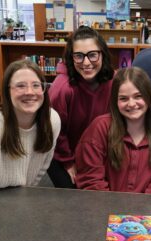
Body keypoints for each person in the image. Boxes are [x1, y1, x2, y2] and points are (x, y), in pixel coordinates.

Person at [75, 67, 151, 194]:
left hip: (147, 211)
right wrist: (115, 211)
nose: (131, 104)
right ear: (115, 101)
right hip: (103, 206)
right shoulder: (100, 128)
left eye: (138, 96)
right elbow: (92, 181)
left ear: (149, 97)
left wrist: (142, 211)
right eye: (123, 98)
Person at [48, 26, 114, 188]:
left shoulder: (113, 82)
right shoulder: (62, 89)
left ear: (102, 54)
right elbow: (54, 132)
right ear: (71, 58)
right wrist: (68, 163)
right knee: (75, 198)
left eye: (92, 55)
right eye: (78, 56)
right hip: (63, 154)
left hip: (98, 153)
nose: (86, 62)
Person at [0, 59, 60, 189]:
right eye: (21, 86)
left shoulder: (52, 119)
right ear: (8, 91)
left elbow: (41, 168)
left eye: (36, 85)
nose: (30, 92)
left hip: (23, 193)